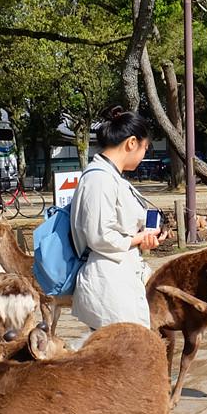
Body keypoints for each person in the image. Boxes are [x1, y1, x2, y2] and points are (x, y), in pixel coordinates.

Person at [70, 107, 167, 331]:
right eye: (145, 148)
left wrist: (143, 239)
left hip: (120, 276)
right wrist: (137, 238)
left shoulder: (111, 177)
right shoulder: (99, 179)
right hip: (110, 282)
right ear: (132, 143)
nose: (144, 155)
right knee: (124, 354)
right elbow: (100, 236)